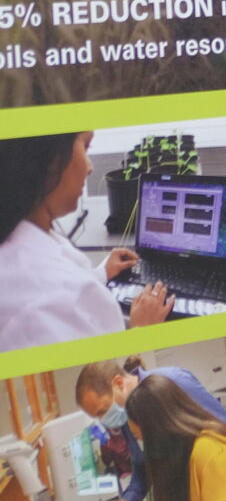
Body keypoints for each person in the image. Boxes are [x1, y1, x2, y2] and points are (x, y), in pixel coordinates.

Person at [0, 134, 171, 350]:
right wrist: (142, 333)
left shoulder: (21, 237)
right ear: (48, 157)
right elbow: (107, 367)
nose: (90, 167)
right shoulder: (42, 308)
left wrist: (102, 273)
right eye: (86, 146)